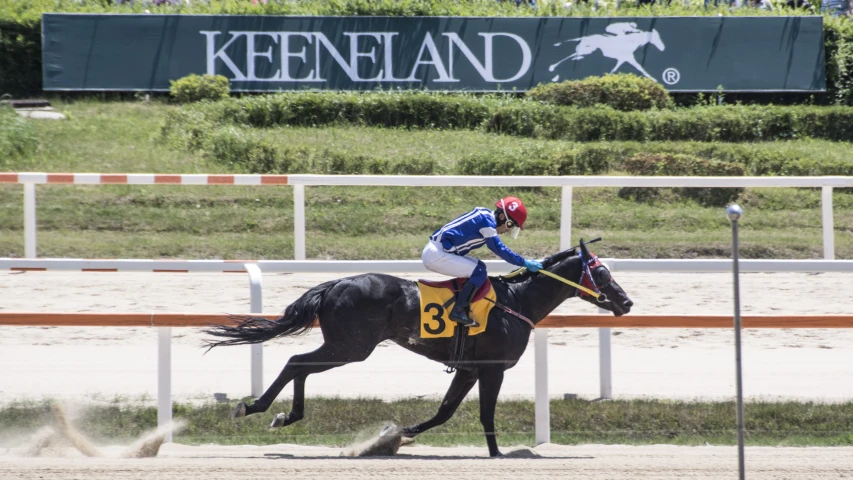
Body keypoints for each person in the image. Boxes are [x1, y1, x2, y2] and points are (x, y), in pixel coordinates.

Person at [422, 196, 543, 328]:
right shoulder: (487, 223)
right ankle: (458, 310)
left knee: (480, 267)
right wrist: (524, 262)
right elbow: (500, 249)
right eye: (510, 225)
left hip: (439, 251)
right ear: (502, 216)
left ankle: (461, 304)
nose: (508, 230)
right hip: (436, 255)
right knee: (479, 272)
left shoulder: (485, 216)